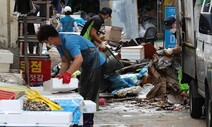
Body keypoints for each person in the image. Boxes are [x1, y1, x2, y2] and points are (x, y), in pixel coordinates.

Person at [36, 25, 106, 127]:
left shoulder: (69, 40)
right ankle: (82, 120)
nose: (48, 44)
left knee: (90, 93)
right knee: (83, 91)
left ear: (50, 38)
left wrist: (68, 74)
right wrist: (60, 76)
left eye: (47, 42)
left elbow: (78, 59)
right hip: (87, 65)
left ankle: (88, 123)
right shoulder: (59, 44)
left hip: (96, 62)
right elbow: (65, 61)